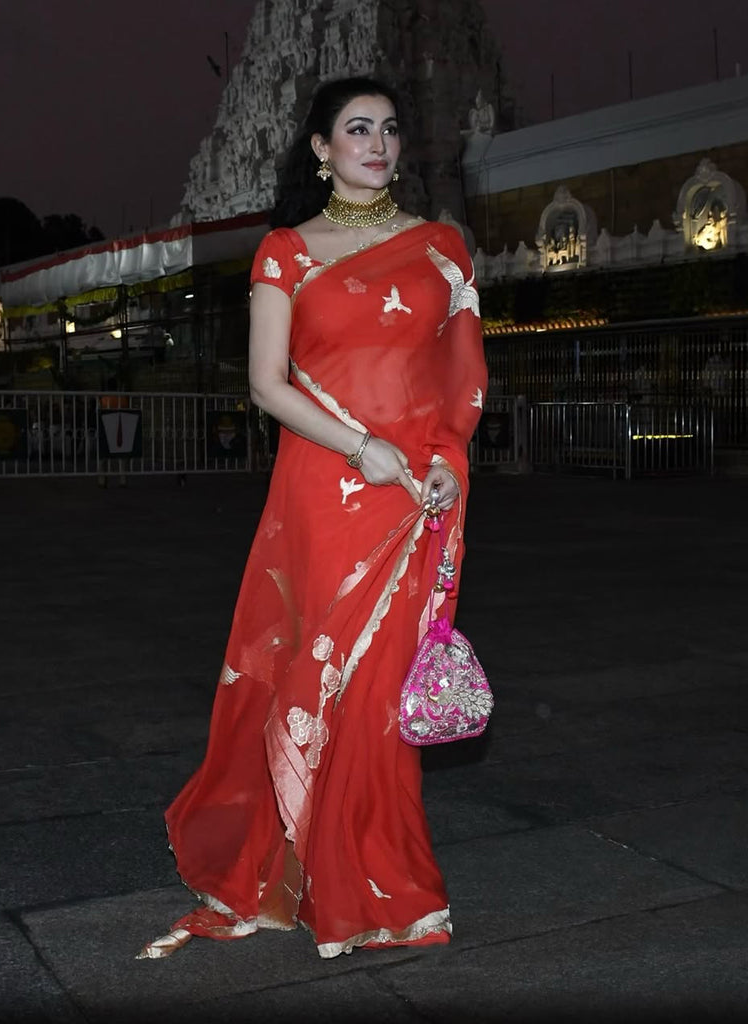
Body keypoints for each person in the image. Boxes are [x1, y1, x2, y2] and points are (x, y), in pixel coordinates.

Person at [138, 75, 487, 961]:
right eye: (357, 129)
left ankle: (382, 885)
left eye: (390, 128)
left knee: (378, 693)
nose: (378, 143)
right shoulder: (286, 252)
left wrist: (443, 461)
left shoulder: (442, 248)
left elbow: (460, 379)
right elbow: (266, 384)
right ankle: (306, 868)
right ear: (322, 150)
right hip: (324, 492)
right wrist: (358, 447)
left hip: (414, 498)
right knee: (316, 676)